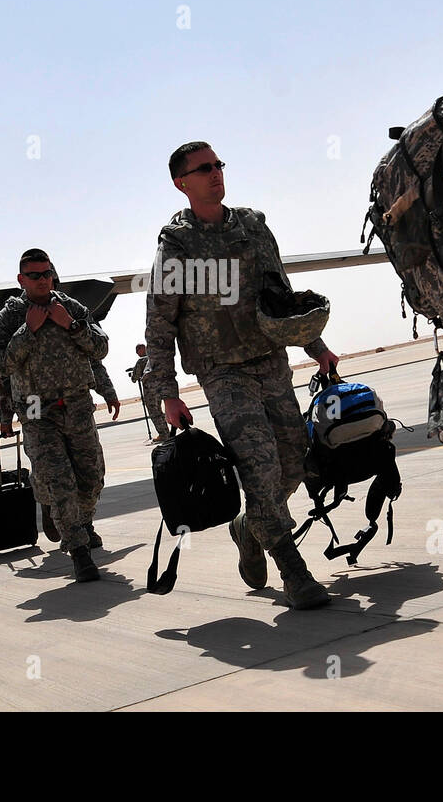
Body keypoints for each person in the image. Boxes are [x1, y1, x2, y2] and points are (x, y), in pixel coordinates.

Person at [143, 141, 339, 610]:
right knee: (260, 466)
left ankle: (249, 528)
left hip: (270, 360)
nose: (215, 173)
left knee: (292, 462)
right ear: (181, 183)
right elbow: (159, 323)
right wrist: (166, 394)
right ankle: (294, 573)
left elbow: (280, 294)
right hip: (223, 373)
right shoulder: (177, 246)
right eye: (203, 168)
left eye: (218, 165)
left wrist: (315, 346)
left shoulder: (253, 227)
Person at [0, 248, 110, 581]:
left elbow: (100, 348)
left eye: (47, 274)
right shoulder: (10, 317)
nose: (43, 280)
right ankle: (80, 551)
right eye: (35, 276)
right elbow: (1, 365)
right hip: (34, 409)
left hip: (76, 403)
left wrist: (71, 326)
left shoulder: (70, 307)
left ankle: (74, 518)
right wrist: (26, 332)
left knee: (91, 478)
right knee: (60, 481)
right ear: (21, 280)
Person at [129, 343, 169, 442]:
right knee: (159, 411)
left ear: (141, 350)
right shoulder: (154, 357)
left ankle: (163, 434)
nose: (137, 353)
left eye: (137, 350)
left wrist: (133, 374)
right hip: (160, 388)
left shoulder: (141, 361)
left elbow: (135, 378)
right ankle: (166, 433)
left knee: (154, 412)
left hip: (150, 391)